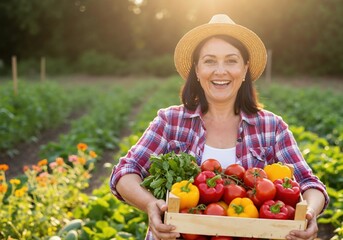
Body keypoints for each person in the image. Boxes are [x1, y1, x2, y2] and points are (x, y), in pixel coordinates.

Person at [110, 14, 329, 240]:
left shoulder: (271, 128)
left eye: (231, 60)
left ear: (245, 70)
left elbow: (308, 183)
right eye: (210, 61)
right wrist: (150, 205)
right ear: (197, 70)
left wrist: (310, 212)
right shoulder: (170, 122)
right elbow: (125, 172)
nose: (220, 71)